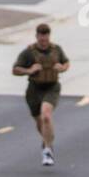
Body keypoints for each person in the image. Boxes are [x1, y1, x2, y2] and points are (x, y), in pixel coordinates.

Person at [12, 23, 70, 167]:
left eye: (46, 38)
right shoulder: (29, 52)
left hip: (52, 87)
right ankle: (47, 142)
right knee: (40, 122)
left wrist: (62, 68)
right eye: (41, 39)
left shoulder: (56, 50)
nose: (44, 42)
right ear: (37, 37)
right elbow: (15, 69)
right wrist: (29, 70)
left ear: (49, 36)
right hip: (34, 89)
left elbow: (66, 62)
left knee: (46, 116)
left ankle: (48, 150)